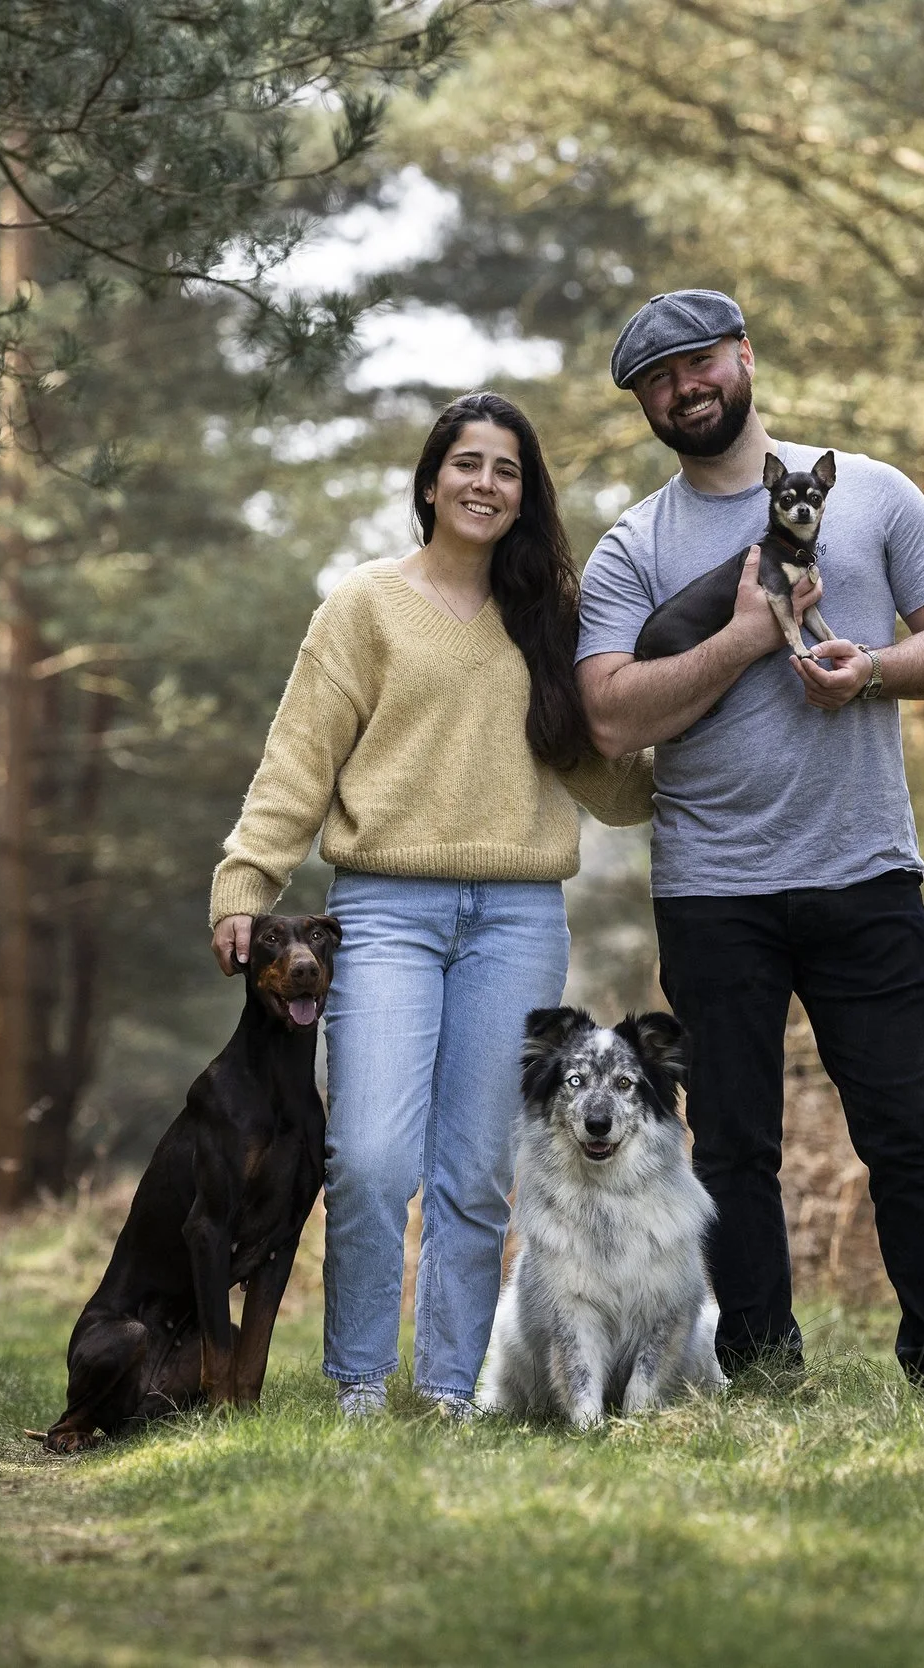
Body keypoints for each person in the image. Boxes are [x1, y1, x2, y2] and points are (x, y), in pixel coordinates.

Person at [574, 289, 924, 1389]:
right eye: (657, 380)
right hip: (713, 890)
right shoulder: (633, 545)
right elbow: (611, 715)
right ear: (646, 404)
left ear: (743, 357)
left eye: (697, 362)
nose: (682, 387)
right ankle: (762, 1370)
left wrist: (873, 672)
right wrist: (746, 638)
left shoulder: (875, 495)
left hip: (865, 867)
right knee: (734, 1148)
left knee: (908, 1133)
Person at [210, 391, 653, 1421]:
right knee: (367, 1158)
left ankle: (449, 1388)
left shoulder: (554, 620)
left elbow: (607, 775)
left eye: (506, 469)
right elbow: (296, 765)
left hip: (517, 917)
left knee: (474, 1174)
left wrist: (706, 745)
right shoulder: (364, 606)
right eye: (466, 463)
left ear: (524, 493)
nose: (484, 483)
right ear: (428, 479)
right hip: (383, 912)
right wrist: (246, 881)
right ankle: (361, 1382)